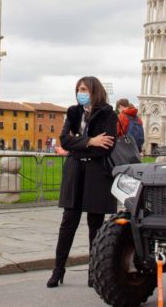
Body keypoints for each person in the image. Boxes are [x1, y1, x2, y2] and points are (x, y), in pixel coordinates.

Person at [48, 76, 117, 289]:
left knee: (95, 225)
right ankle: (58, 270)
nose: (80, 92)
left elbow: (105, 146)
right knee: (68, 222)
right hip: (75, 171)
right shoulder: (73, 112)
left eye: (84, 88)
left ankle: (93, 271)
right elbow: (64, 140)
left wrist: (80, 143)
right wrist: (89, 140)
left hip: (96, 174)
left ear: (94, 91)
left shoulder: (107, 114)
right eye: (78, 89)